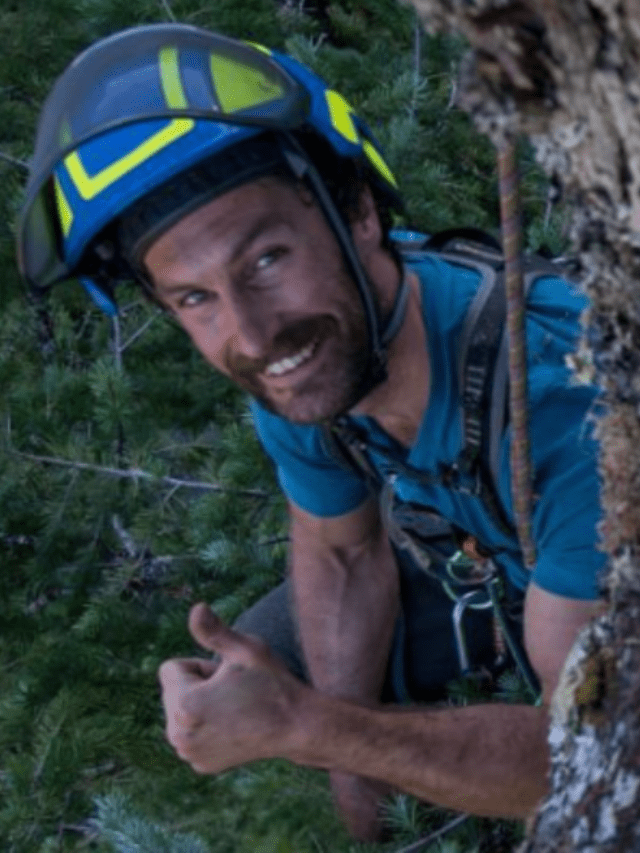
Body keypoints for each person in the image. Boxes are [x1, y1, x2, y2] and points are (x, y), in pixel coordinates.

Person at [18, 23, 606, 841]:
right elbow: (340, 550)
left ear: (359, 210)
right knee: (258, 658)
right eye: (195, 298)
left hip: (597, 622)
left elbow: (587, 754)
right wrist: (354, 783)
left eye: (265, 260)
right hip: (517, 571)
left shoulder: (566, 402)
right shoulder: (314, 358)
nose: (252, 335)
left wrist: (312, 726)